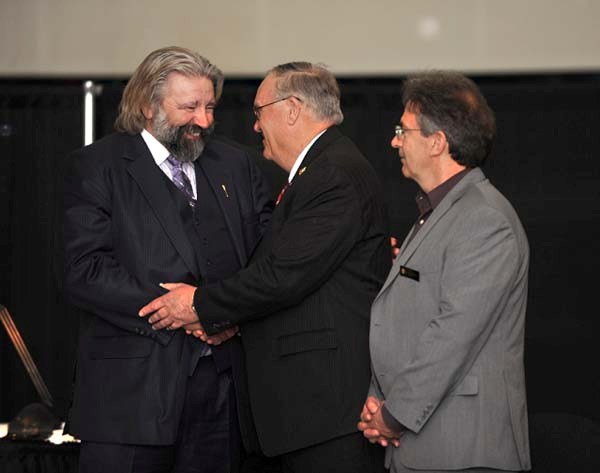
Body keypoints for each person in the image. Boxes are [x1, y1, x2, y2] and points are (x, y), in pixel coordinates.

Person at [139, 62, 391, 473]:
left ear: (291, 109)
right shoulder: (320, 171)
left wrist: (198, 304)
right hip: (308, 412)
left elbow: (282, 277)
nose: (255, 127)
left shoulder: (334, 174)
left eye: (259, 111)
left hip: (325, 411)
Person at [61, 46, 272, 473]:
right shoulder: (98, 166)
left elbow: (265, 257)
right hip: (130, 396)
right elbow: (84, 269)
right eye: (190, 107)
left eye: (210, 106)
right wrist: (181, 311)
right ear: (146, 105)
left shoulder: (236, 164)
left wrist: (222, 309)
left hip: (223, 391)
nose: (204, 120)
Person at [357, 71, 531, 473]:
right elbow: (403, 320)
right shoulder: (438, 214)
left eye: (404, 130)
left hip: (463, 451)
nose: (394, 141)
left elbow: (452, 335)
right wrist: (377, 399)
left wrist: (392, 414)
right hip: (425, 445)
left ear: (437, 142)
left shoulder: (484, 219)